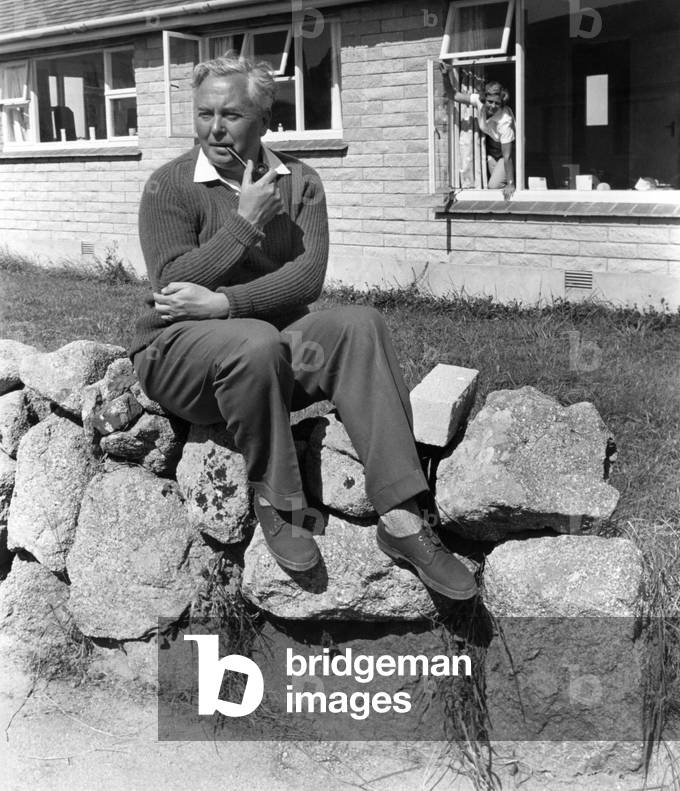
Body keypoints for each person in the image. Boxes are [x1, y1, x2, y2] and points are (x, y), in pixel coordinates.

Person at [130, 52, 476, 601]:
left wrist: (222, 304)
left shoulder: (301, 183)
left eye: (232, 115)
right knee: (256, 340)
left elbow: (307, 279)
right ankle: (277, 495)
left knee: (359, 324)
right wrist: (245, 223)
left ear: (265, 119)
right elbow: (170, 284)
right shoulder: (170, 185)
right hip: (177, 358)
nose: (215, 129)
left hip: (265, 353)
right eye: (203, 114)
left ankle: (403, 517)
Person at [440, 68, 516, 200]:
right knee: (493, 188)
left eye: (497, 103)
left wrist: (511, 184)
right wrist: (445, 75)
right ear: (484, 98)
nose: (492, 106)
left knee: (494, 185)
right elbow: (454, 95)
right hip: (492, 150)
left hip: (508, 150)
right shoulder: (478, 101)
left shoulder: (505, 121)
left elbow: (508, 156)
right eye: (490, 101)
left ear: (502, 103)